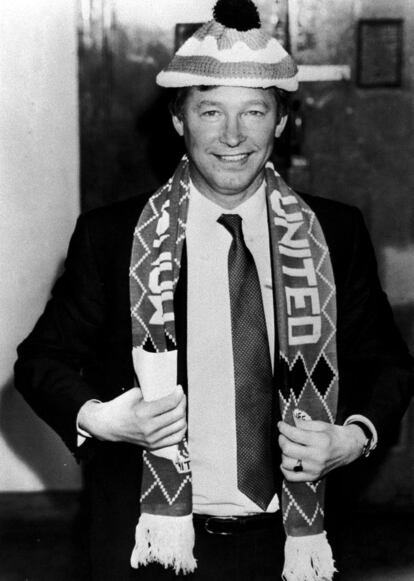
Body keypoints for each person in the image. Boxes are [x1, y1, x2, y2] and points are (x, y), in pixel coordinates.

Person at [14, 1, 414, 580]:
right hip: (154, 543)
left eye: (254, 111)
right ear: (179, 119)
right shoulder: (113, 237)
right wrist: (101, 418)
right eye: (210, 112)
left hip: (295, 543)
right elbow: (39, 362)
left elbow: (390, 366)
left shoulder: (335, 233)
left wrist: (353, 438)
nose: (233, 136)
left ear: (281, 121)